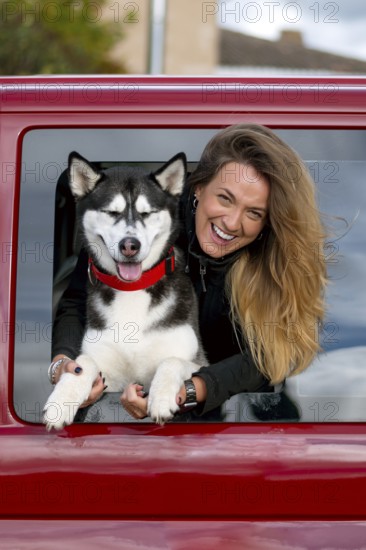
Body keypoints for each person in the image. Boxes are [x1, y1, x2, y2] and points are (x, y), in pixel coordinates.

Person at [50, 124, 327, 421]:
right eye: (225, 198)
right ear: (198, 187)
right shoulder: (145, 230)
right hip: (119, 429)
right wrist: (63, 364)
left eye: (254, 212)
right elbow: (77, 302)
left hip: (240, 426)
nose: (232, 222)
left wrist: (187, 391)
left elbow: (268, 357)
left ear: (267, 222)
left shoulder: (270, 264)